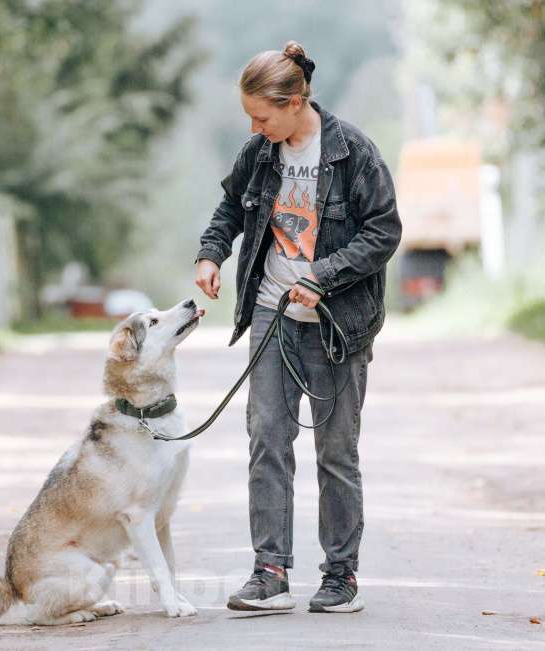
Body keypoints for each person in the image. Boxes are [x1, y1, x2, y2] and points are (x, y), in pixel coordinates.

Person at [194, 41, 401, 613]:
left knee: (337, 452)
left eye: (262, 117)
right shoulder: (260, 152)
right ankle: (270, 573)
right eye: (250, 119)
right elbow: (231, 208)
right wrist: (211, 253)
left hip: (338, 324)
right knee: (267, 443)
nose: (256, 128)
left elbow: (384, 231)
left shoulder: (353, 152)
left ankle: (340, 576)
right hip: (270, 315)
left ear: (294, 102)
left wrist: (325, 276)